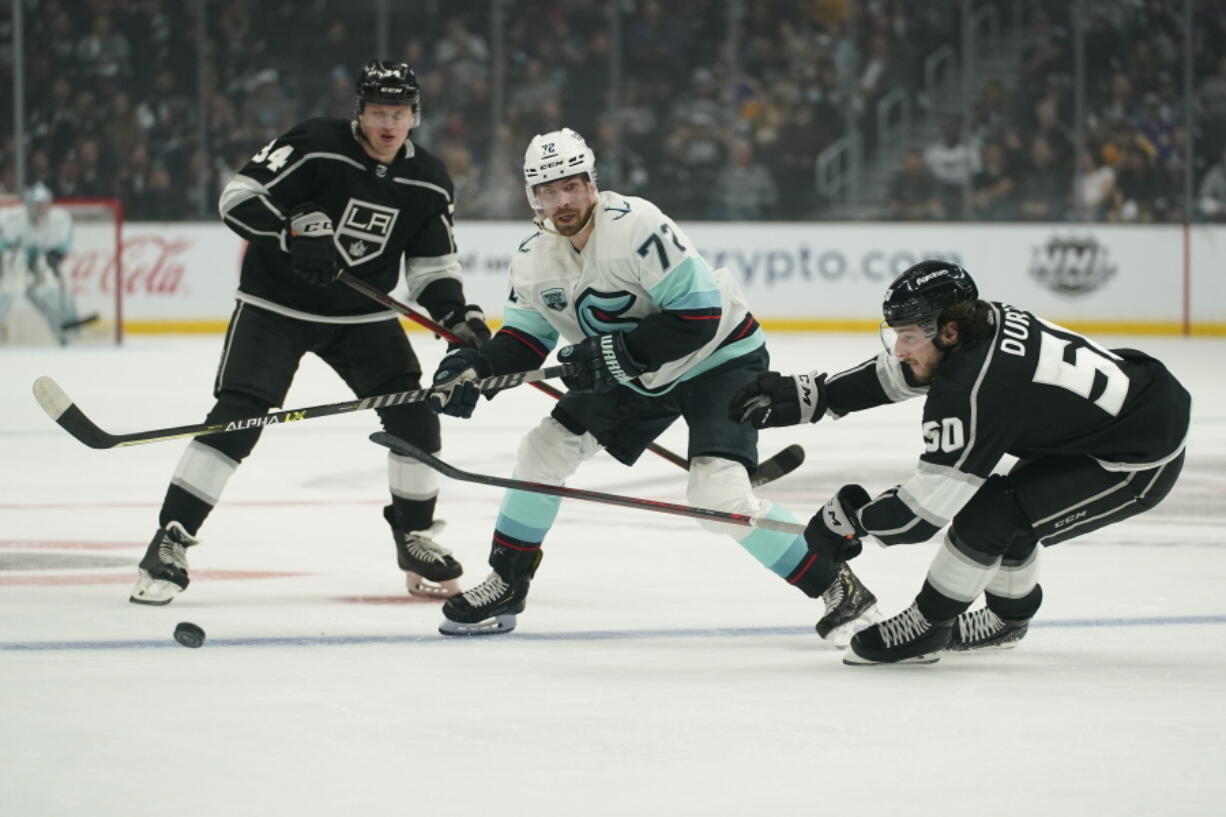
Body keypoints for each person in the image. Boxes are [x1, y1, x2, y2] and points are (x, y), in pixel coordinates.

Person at [426, 127, 881, 639]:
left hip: (718, 360)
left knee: (718, 499)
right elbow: (523, 342)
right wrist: (477, 371)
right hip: (635, 375)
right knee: (542, 451)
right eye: (549, 191)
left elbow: (701, 313)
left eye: (573, 185)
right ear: (533, 196)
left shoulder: (637, 226)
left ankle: (836, 582)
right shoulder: (533, 259)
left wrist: (616, 353)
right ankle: (507, 582)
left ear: (592, 183)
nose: (563, 201)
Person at [130, 60, 490, 605]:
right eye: (377, 112)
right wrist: (288, 231)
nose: (387, 124)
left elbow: (432, 267)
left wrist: (457, 315)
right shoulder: (315, 144)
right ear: (359, 112)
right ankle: (171, 537)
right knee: (237, 418)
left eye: (398, 113)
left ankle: (413, 535)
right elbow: (237, 197)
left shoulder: (429, 180)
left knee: (414, 415)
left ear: (415, 116)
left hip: (361, 319)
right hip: (276, 306)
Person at [729, 260, 1190, 665]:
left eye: (907, 337)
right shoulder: (979, 325)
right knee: (1008, 511)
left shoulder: (973, 392)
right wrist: (814, 394)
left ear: (948, 330)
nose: (900, 350)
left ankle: (929, 627)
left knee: (992, 514)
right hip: (1127, 414)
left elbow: (920, 515)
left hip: (1136, 459)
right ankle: (1009, 620)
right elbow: (905, 372)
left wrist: (850, 522)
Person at [0, 183, 93, 345]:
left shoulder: (59, 219)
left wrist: (57, 255)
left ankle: (65, 329)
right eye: (38, 205)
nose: (42, 209)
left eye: (45, 204)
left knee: (50, 290)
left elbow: (66, 243)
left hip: (40, 260)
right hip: (14, 259)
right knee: (7, 291)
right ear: (29, 205)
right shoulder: (14, 219)